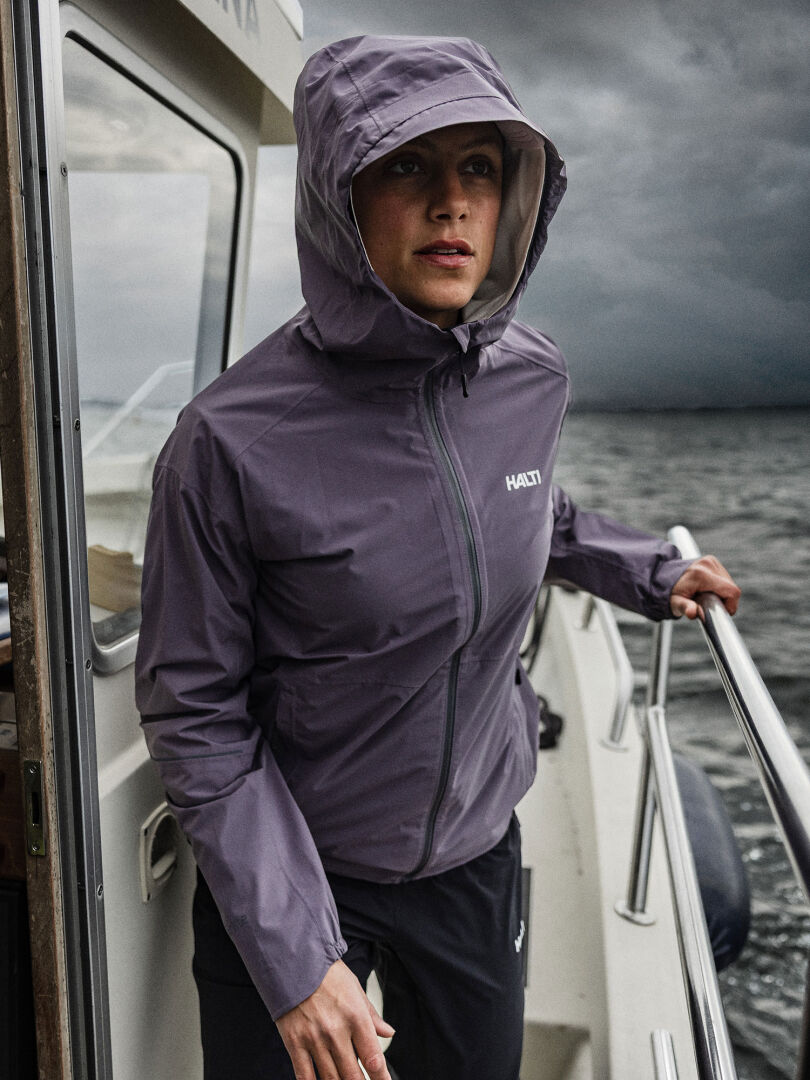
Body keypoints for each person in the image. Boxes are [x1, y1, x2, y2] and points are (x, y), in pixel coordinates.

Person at [134, 35, 740, 1080]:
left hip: (473, 860)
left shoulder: (532, 378)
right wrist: (293, 956)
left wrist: (649, 569)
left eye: (480, 168)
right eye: (406, 166)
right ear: (337, 196)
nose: (451, 203)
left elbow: (526, 515)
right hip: (299, 874)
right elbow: (195, 711)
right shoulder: (228, 441)